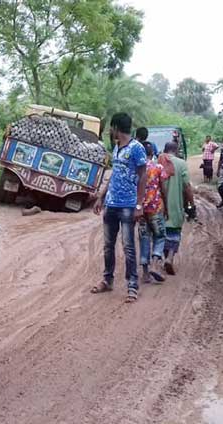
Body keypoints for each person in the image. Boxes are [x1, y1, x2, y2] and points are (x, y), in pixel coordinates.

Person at [92, 113, 147, 303]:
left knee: (128, 247)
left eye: (111, 128)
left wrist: (139, 204)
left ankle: (132, 286)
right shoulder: (116, 148)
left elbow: (143, 177)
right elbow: (114, 175)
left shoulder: (136, 149)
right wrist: (101, 197)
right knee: (108, 246)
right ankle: (107, 280)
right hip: (111, 205)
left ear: (116, 127)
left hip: (128, 205)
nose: (110, 131)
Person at [159, 141, 195, 275]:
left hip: (159, 207)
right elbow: (187, 187)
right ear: (177, 150)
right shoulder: (181, 164)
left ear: (165, 149)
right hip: (176, 206)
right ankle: (170, 257)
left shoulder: (159, 162)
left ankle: (164, 257)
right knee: (174, 233)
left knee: (161, 233)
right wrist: (191, 205)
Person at [139, 141, 168, 285]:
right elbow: (163, 188)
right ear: (152, 153)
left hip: (141, 208)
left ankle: (145, 273)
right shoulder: (158, 167)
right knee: (160, 236)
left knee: (144, 237)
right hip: (155, 207)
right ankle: (155, 265)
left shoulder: (138, 167)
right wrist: (166, 206)